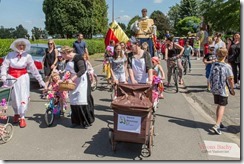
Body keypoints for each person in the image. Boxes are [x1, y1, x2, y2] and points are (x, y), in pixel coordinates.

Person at [0, 38, 45, 128]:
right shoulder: (10, 55)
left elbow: (33, 69)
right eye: (19, 45)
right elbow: (4, 66)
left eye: (23, 45)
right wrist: (3, 76)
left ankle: (22, 116)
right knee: (13, 97)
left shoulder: (27, 56)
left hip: (22, 79)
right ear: (16, 46)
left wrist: (40, 81)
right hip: (11, 78)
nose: (21, 47)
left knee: (22, 96)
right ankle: (16, 113)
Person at [59, 46, 94, 128]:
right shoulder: (68, 59)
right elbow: (68, 70)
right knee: (74, 100)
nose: (62, 57)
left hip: (82, 81)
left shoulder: (78, 58)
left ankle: (86, 121)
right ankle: (76, 121)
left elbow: (82, 70)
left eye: (63, 55)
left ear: (67, 53)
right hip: (74, 81)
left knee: (82, 100)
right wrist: (64, 78)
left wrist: (72, 79)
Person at [208, 48, 235, 135]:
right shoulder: (227, 66)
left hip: (215, 88)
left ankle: (219, 122)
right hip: (223, 89)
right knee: (222, 105)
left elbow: (210, 76)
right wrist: (232, 89)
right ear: (225, 55)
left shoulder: (214, 64)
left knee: (219, 105)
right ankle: (217, 125)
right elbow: (230, 79)